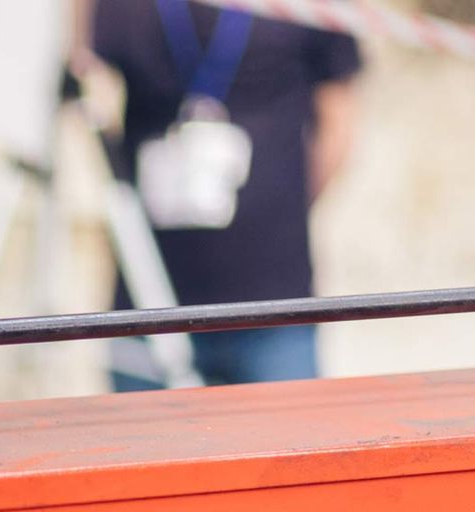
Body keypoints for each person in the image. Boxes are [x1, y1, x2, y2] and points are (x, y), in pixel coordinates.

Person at [88, 0, 362, 388]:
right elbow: (84, 71)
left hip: (273, 306)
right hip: (148, 298)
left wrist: (277, 214)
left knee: (286, 445)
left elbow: (339, 126)